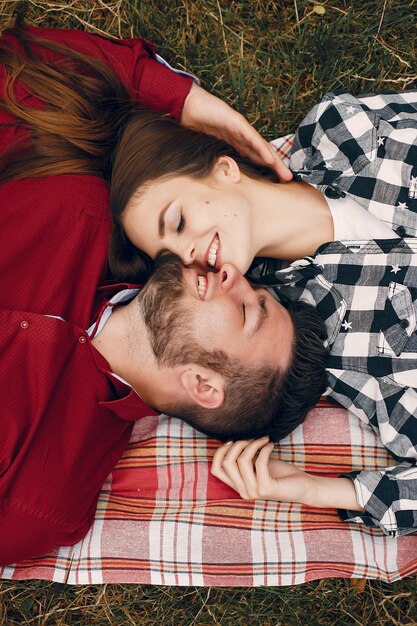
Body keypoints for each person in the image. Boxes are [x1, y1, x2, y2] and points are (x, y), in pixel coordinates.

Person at [0, 22, 289, 565]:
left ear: (204, 385)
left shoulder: (42, 497)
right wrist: (191, 103)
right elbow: (19, 66)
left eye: (249, 310)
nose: (232, 275)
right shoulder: (89, 210)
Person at [109, 90, 417, 281]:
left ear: (225, 169)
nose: (185, 257)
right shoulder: (303, 319)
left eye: (178, 223)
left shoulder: (340, 132)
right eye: (169, 259)